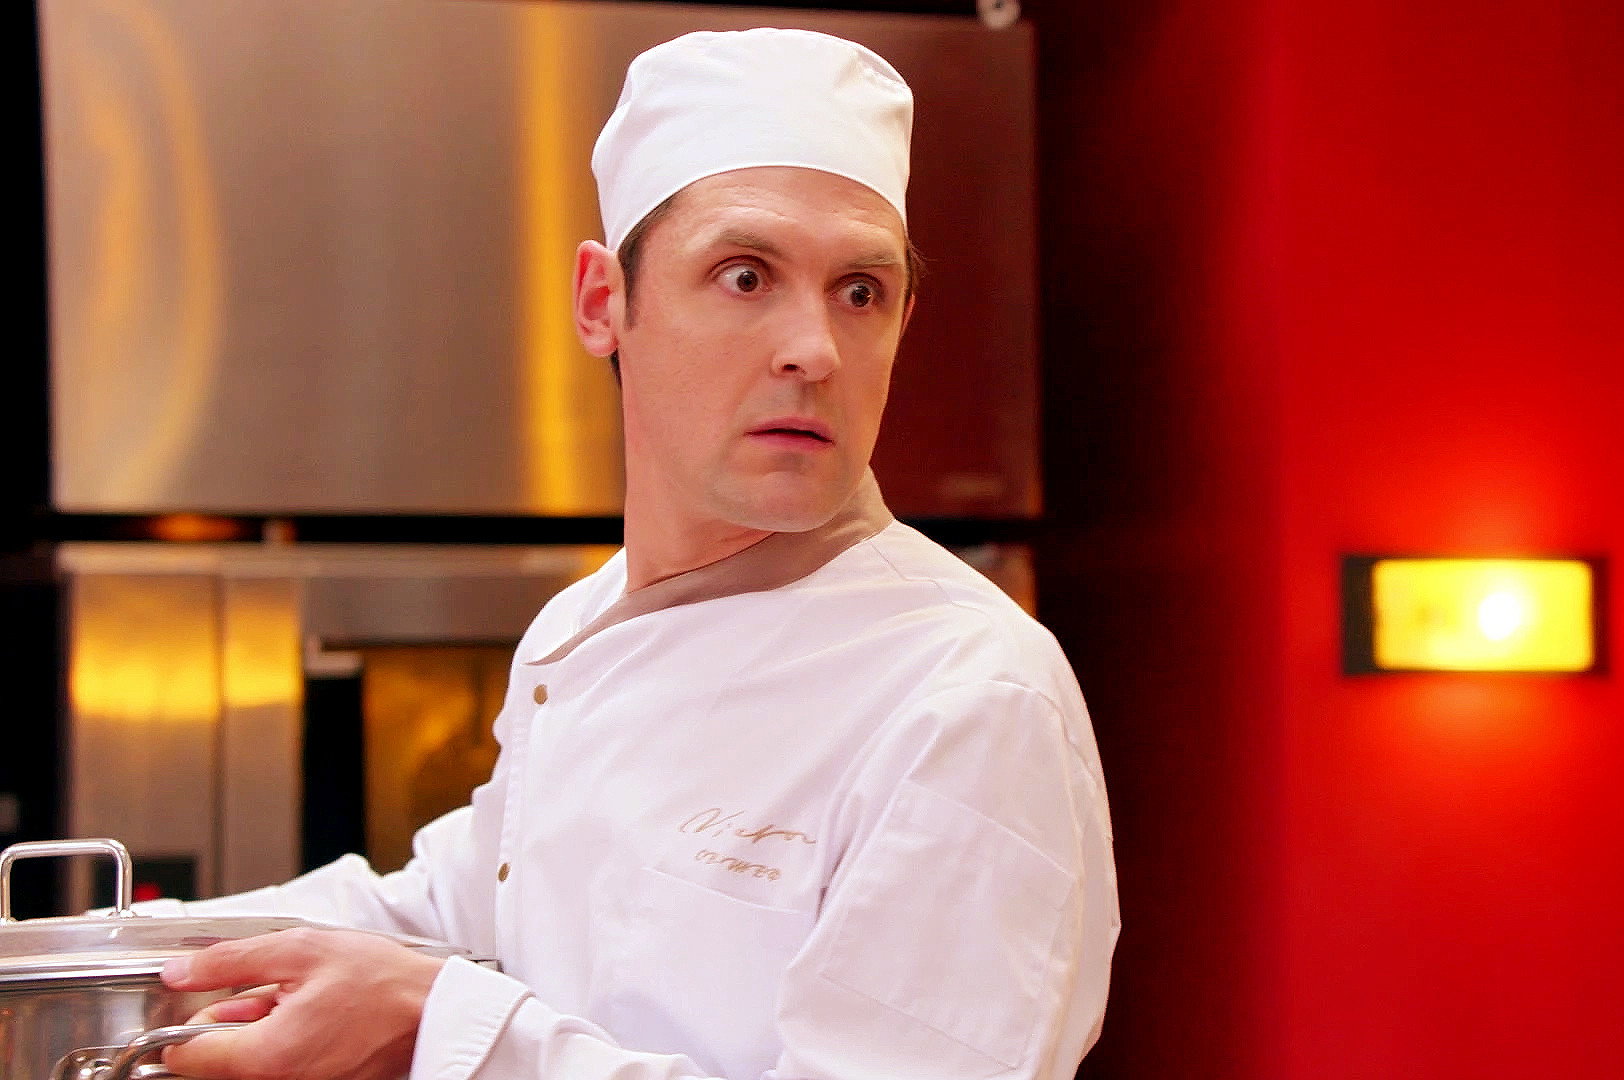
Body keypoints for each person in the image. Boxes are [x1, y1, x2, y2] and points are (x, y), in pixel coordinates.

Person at [144, 27, 1118, 1080]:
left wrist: (442, 1026)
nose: (815, 350)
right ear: (603, 303)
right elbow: (454, 904)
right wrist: (106, 955)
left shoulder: (971, 699)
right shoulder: (580, 629)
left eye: (859, 292)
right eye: (746, 276)